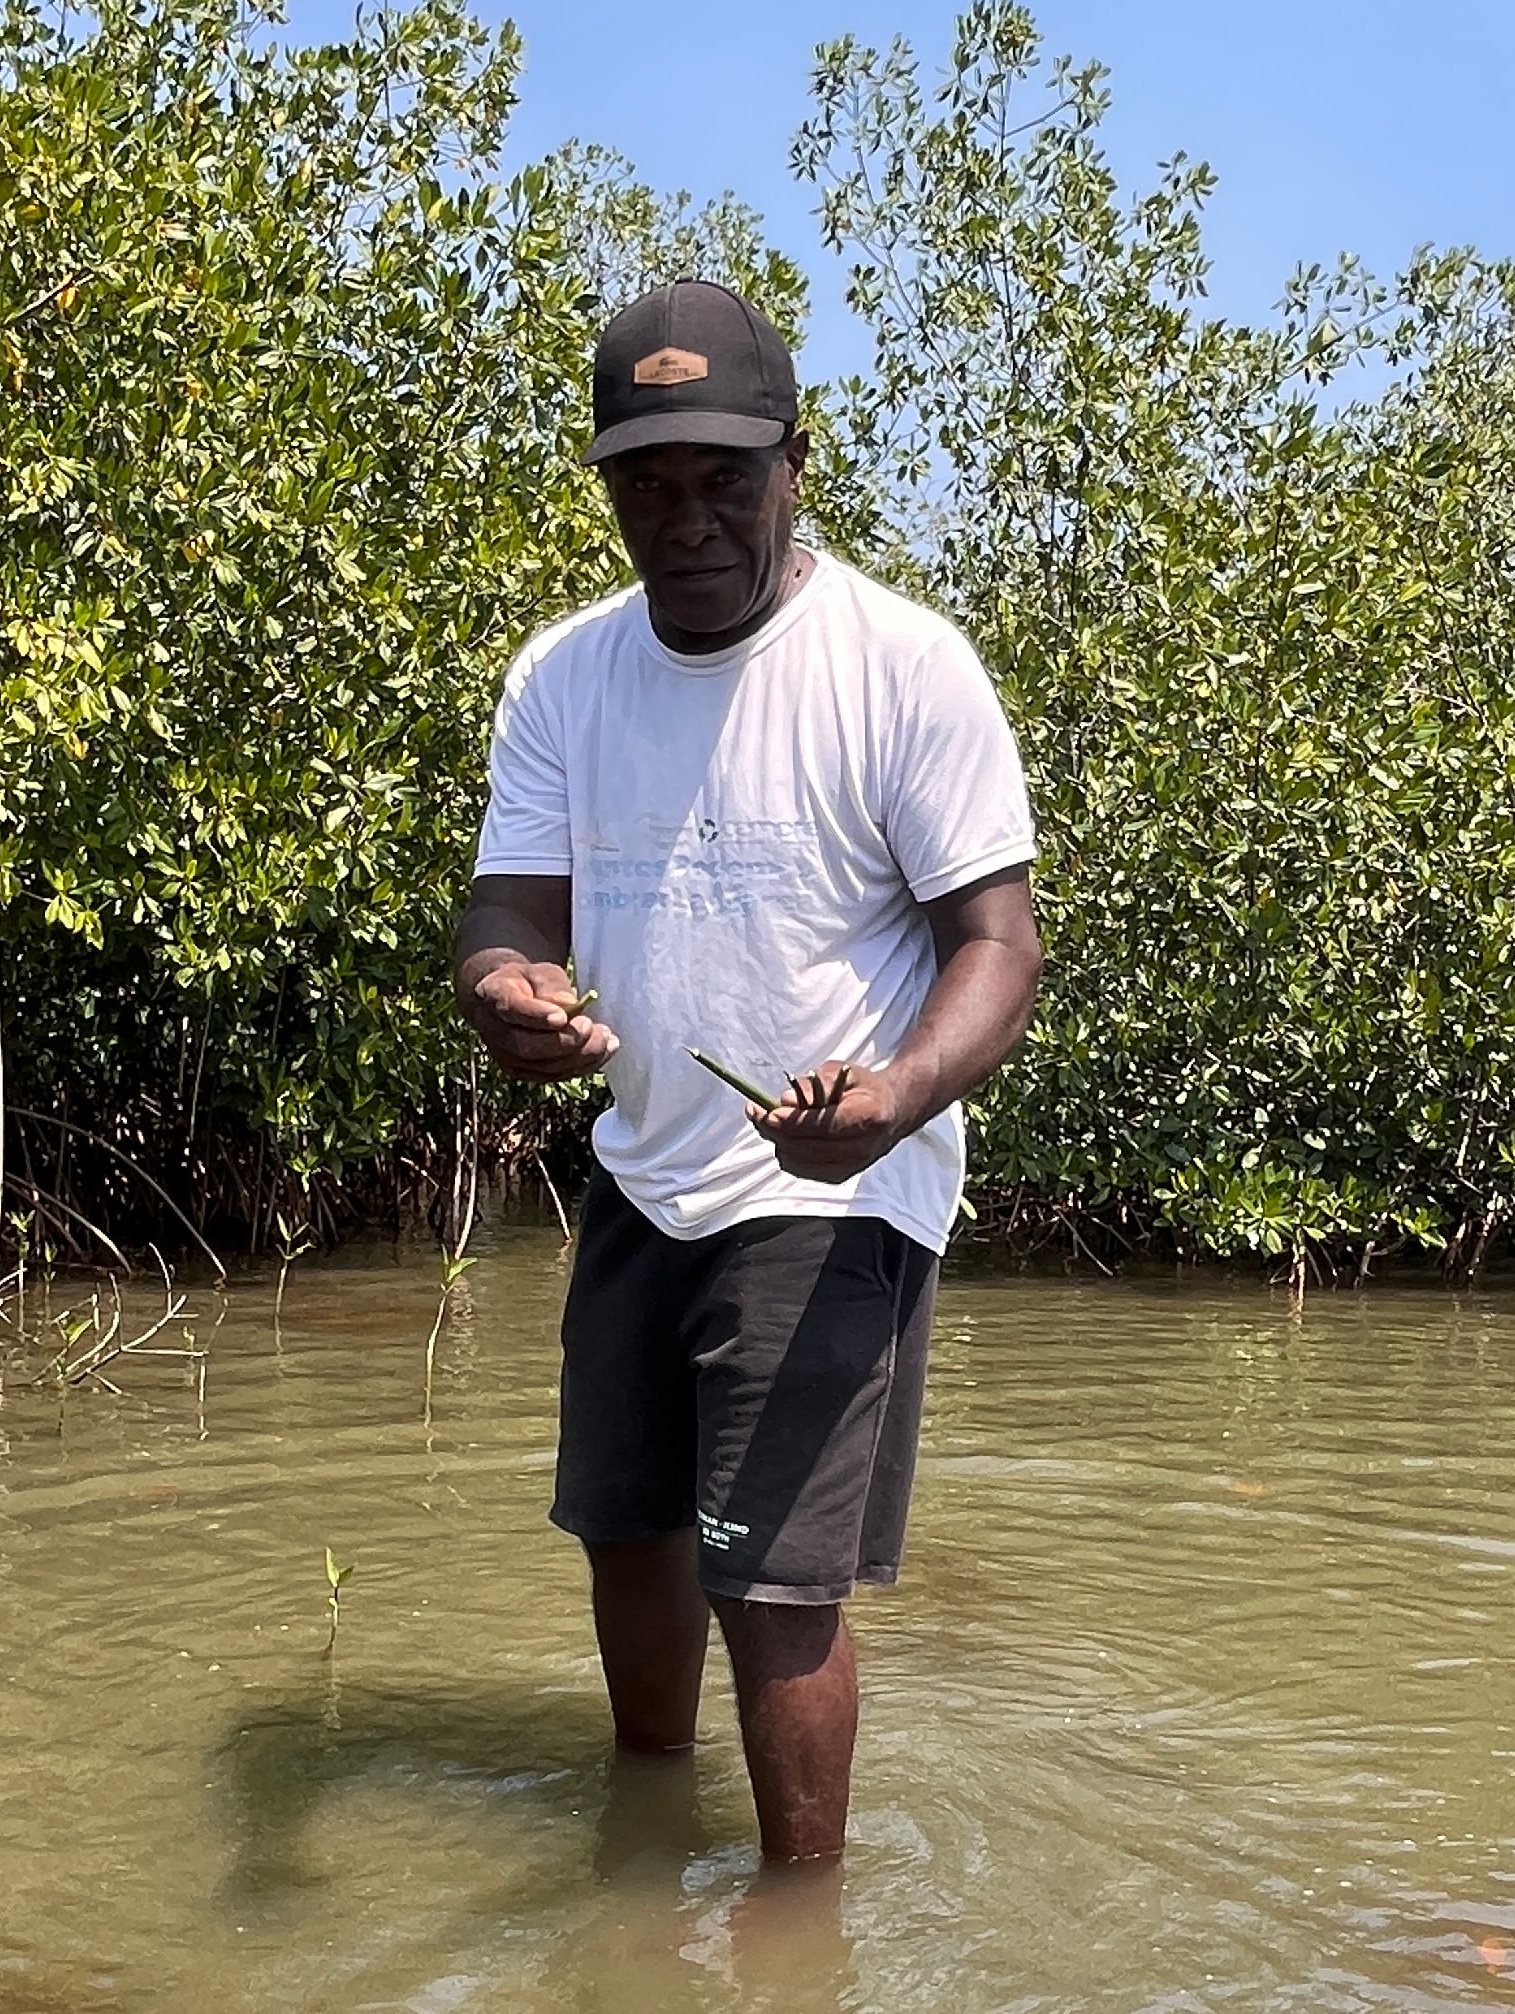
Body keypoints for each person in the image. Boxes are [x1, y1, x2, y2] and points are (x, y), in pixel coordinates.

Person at [451, 279, 1043, 1864]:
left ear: (796, 463)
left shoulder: (900, 665)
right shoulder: (563, 675)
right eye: (647, 484)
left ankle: (797, 1926)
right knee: (625, 1532)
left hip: (833, 1185)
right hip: (644, 1168)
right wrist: (508, 988)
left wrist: (895, 1095)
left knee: (769, 1579)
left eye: (723, 478)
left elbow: (998, 943)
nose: (686, 520)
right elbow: (508, 908)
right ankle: (643, 1842)